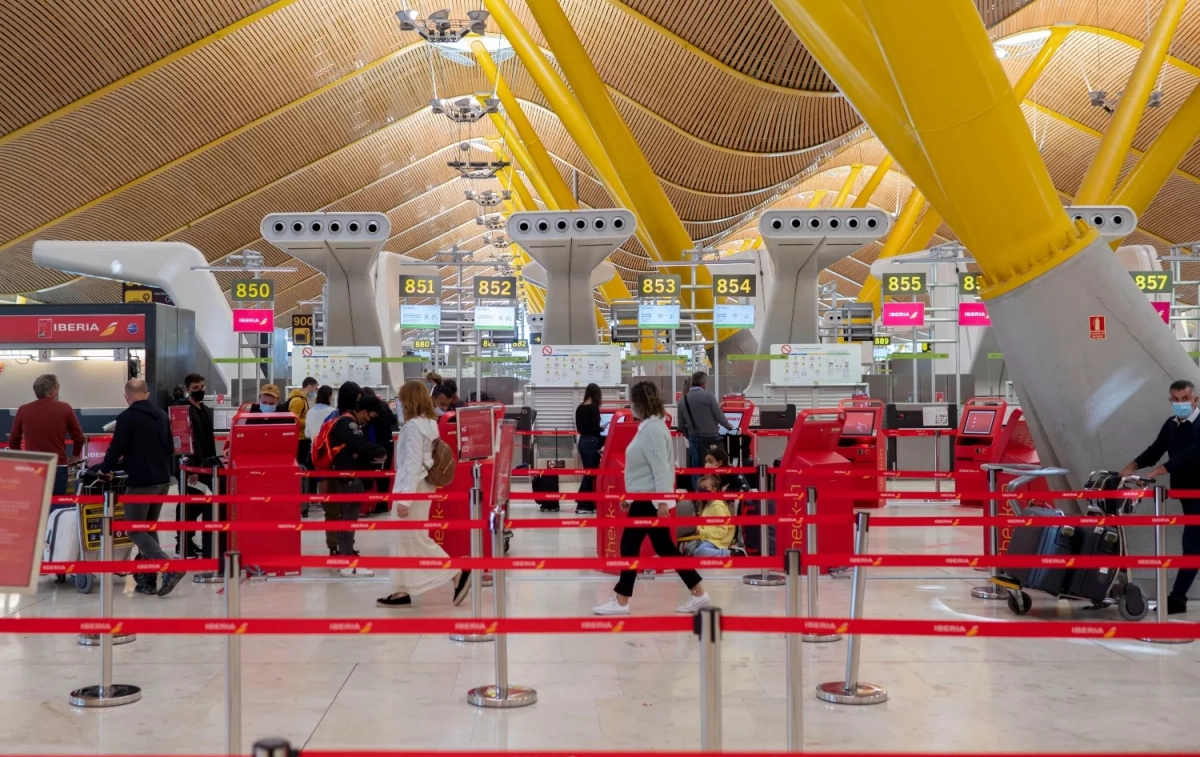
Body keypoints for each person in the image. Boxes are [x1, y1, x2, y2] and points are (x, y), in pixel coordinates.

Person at [594, 381, 709, 616]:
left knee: (630, 545)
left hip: (650, 500)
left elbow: (661, 469)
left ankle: (622, 599)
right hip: (644, 498)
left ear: (639, 403)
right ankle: (698, 591)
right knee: (663, 546)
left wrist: (663, 502)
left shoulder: (653, 430)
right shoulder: (649, 427)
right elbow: (643, 469)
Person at [377, 380, 472, 608]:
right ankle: (400, 591)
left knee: (413, 538)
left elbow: (411, 464)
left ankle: (457, 572)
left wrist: (405, 499)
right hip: (424, 486)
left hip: (412, 488)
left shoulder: (412, 427)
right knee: (405, 540)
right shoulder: (430, 423)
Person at [1120, 379, 1200, 614]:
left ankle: (1177, 599)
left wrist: (1157, 472)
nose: (1180, 404)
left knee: (1192, 545)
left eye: (1185, 399)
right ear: (1170, 401)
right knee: (1194, 544)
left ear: (1195, 399)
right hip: (1187, 492)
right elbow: (1156, 449)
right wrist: (1132, 466)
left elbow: (1191, 455)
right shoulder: (1172, 425)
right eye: (1175, 400)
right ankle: (1177, 598)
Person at [100, 379, 186, 596]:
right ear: (146, 393)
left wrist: (105, 469)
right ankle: (148, 581)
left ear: (127, 396)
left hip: (141, 483)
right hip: (162, 481)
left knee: (134, 529)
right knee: (148, 528)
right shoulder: (162, 415)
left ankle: (169, 568)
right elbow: (170, 448)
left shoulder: (127, 417)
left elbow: (115, 448)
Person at [324, 382, 388, 573]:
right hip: (346, 478)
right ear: (364, 411)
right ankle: (345, 557)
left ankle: (347, 554)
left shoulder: (351, 422)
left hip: (351, 477)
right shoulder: (347, 423)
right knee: (347, 518)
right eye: (371, 416)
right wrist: (380, 450)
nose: (369, 421)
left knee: (349, 518)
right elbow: (358, 445)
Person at [9, 374, 86, 496]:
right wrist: (74, 457)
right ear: (52, 390)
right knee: (56, 507)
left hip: (33, 467)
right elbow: (79, 438)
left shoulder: (23, 410)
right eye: (58, 388)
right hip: (58, 467)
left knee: (35, 507)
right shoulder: (65, 408)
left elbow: (13, 440)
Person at [174, 373, 218, 557]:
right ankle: (182, 543)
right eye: (195, 388)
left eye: (202, 387)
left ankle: (188, 539)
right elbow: (181, 439)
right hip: (189, 466)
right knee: (189, 503)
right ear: (187, 390)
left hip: (205, 464)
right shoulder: (181, 410)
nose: (200, 391)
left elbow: (208, 440)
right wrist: (190, 467)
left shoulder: (206, 409)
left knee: (199, 502)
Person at [677, 371, 733, 490]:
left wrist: (690, 436)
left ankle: (698, 500)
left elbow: (681, 426)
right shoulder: (709, 396)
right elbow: (718, 415)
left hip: (694, 440)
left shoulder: (683, 401)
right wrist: (729, 426)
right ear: (703, 384)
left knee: (696, 469)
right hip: (712, 439)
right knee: (716, 469)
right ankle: (715, 495)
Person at [676, 475, 736, 557]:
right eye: (701, 488)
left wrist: (701, 532)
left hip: (718, 541)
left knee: (700, 552)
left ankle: (728, 553)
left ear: (714, 490)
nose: (702, 490)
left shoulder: (718, 507)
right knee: (688, 550)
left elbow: (722, 532)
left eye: (705, 488)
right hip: (706, 539)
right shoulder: (706, 507)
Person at [575, 383, 604, 515]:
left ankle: (587, 501)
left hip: (582, 441)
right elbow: (595, 429)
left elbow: (581, 428)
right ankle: (582, 503)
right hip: (592, 442)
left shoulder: (579, 408)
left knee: (588, 472)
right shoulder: (594, 408)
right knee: (590, 473)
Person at [287, 377, 318, 468]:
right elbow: (294, 421)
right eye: (315, 388)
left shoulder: (302, 399)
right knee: (301, 464)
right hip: (299, 439)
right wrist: (309, 420)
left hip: (302, 437)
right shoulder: (298, 401)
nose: (315, 392)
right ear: (310, 387)